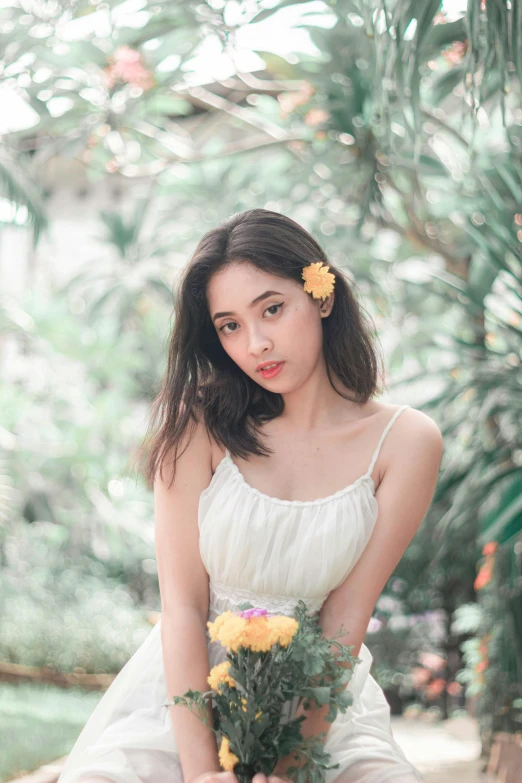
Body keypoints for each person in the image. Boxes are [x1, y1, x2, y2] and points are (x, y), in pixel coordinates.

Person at [58, 208, 443, 783]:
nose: (256, 342)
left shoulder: (406, 441)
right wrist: (199, 772)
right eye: (229, 325)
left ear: (321, 296)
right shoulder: (199, 426)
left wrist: (287, 769)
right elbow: (183, 608)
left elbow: (344, 620)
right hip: (185, 703)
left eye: (271, 308)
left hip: (319, 707)